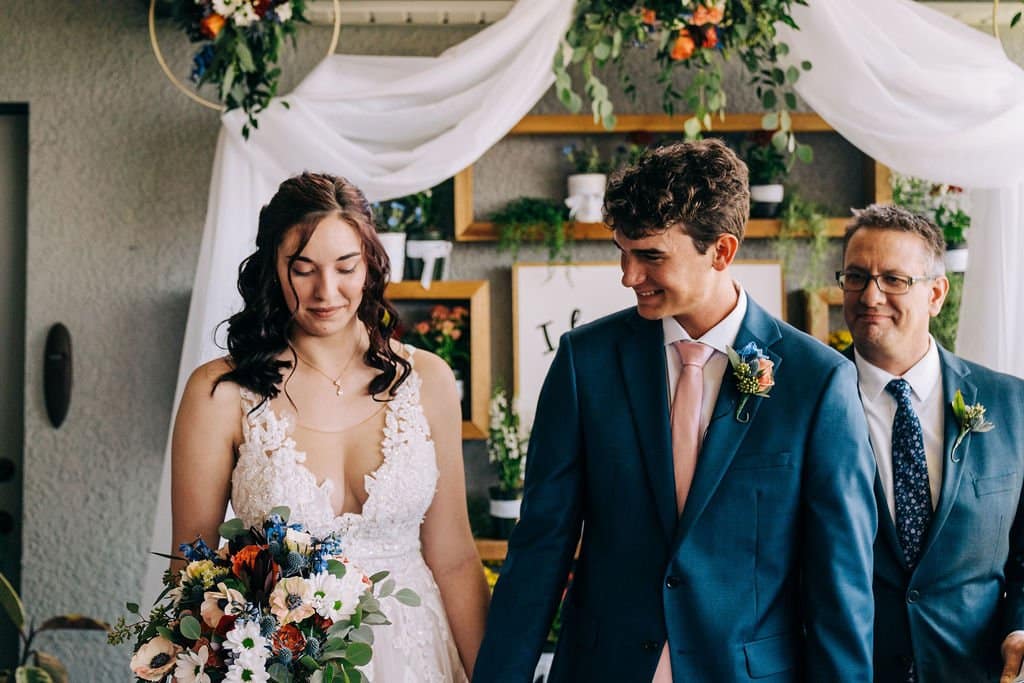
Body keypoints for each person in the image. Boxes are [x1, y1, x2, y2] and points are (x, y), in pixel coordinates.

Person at [474, 138, 877, 682]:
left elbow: (840, 583)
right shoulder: (584, 362)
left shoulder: (818, 382)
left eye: (651, 256)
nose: (628, 275)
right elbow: (541, 546)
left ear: (722, 251)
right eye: (623, 252)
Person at [171, 172, 489, 681]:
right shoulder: (221, 393)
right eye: (303, 270)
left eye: (346, 267)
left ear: (371, 264)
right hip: (284, 662)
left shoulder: (427, 379)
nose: (327, 291)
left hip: (418, 656)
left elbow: (453, 559)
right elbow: (191, 570)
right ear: (272, 267)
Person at [838, 203, 1024, 683]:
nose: (870, 295)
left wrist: (1019, 625)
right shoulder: (807, 400)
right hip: (851, 669)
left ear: (936, 294)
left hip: (974, 670)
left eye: (894, 279)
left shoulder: (1011, 404)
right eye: (856, 277)